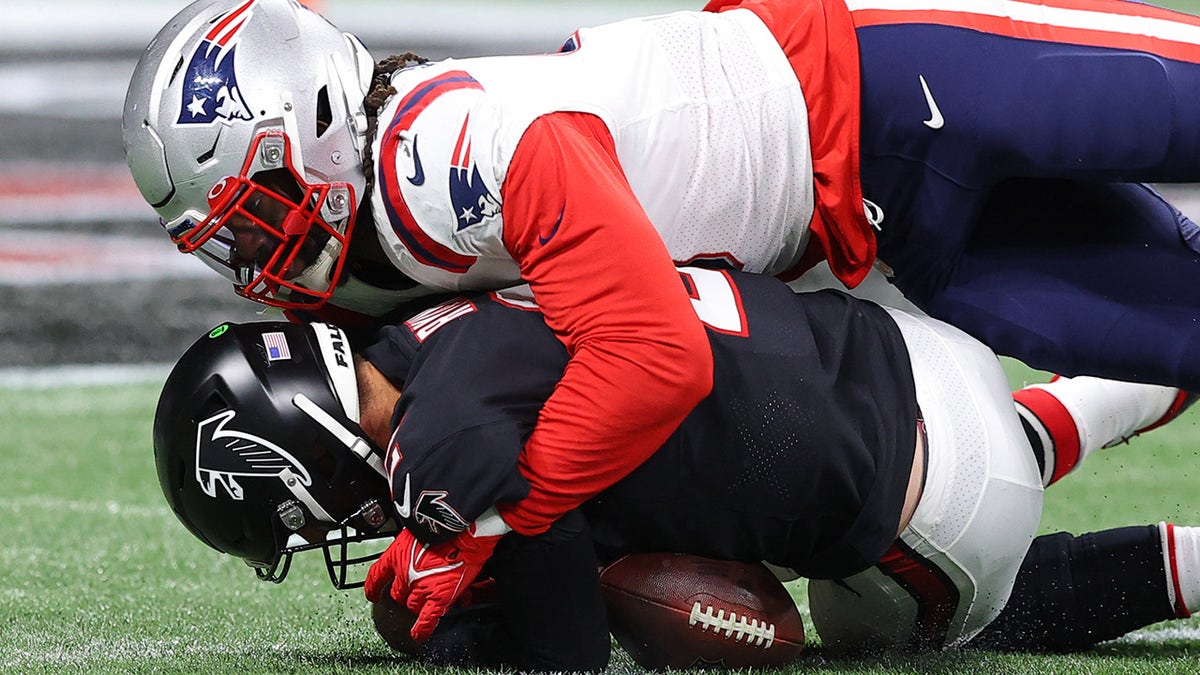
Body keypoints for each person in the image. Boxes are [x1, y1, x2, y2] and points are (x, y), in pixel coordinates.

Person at [126, 0, 1200, 634]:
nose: (257, 258)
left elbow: (652, 354)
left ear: (314, 117)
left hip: (883, 80)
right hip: (873, 245)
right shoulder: (374, 254)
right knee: (1176, 326)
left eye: (258, 211)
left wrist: (492, 517)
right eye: (229, 239)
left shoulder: (448, 158)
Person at [152, 269, 1199, 670]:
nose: (337, 527)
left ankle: (1189, 564)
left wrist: (457, 613)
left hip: (944, 508)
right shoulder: (448, 314)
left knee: (857, 633)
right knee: (987, 450)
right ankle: (1160, 364)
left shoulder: (444, 450)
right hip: (911, 351)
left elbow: (565, 655)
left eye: (308, 516)